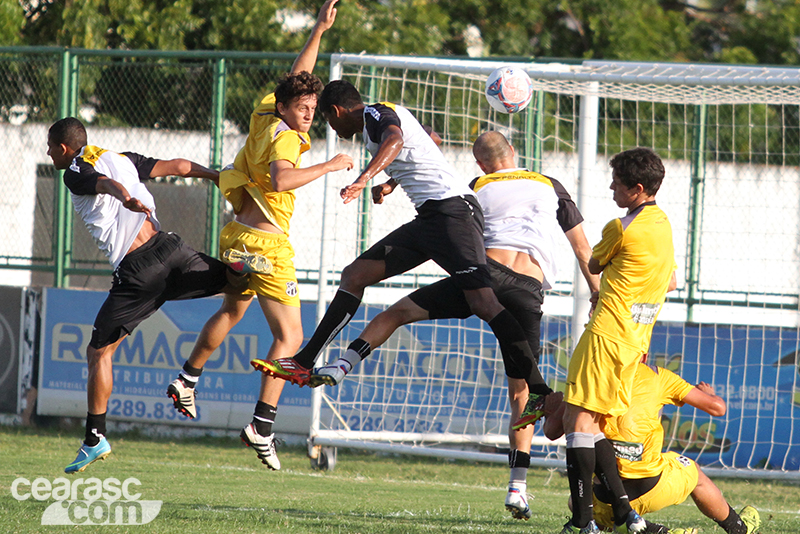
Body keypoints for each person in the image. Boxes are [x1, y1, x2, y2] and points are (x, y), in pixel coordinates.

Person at [305, 130, 599, 520]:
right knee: (521, 394)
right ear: (514, 152)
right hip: (528, 289)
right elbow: (583, 249)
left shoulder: (474, 185)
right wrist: (596, 293)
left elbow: (448, 221)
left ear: (480, 164)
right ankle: (517, 489)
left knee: (396, 313)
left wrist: (390, 183)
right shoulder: (550, 184)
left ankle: (342, 364)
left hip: (482, 277)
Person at [259, 81, 548, 446]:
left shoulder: (375, 114)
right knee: (355, 275)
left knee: (484, 303)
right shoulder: (374, 121)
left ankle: (538, 389)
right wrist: (392, 183)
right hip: (430, 219)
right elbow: (425, 138)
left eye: (330, 124)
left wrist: (366, 179)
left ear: (336, 112)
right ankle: (306, 359)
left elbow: (396, 140)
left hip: (453, 215)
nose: (333, 131)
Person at [165, 0, 353, 470]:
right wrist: (330, 164)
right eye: (304, 107)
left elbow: (297, 75)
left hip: (236, 236)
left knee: (231, 310)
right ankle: (262, 424)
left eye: (313, 107)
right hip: (267, 246)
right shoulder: (288, 137)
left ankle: (188, 378)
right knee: (291, 338)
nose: (310, 113)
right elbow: (283, 178)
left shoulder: (265, 115)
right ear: (287, 108)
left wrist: (319, 30)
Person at [47, 117, 251, 474]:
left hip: (137, 273)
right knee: (238, 286)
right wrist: (218, 176)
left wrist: (125, 197)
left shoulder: (74, 171)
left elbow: (105, 185)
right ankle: (238, 269)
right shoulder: (123, 158)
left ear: (64, 148)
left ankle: (95, 438)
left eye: (50, 148)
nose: (49, 154)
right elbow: (179, 166)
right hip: (172, 249)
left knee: (98, 352)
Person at [560, 147, 678, 534]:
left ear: (638, 188)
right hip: (634, 341)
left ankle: (583, 521)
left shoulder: (620, 227)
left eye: (617, 183)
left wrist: (607, 286)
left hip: (606, 334)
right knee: (593, 423)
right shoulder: (663, 225)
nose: (611, 188)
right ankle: (629, 515)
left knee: (576, 416)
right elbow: (670, 281)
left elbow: (593, 264)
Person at [543, 361, 761, 534]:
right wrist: (709, 393)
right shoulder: (658, 376)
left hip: (605, 497)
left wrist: (552, 407)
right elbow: (717, 408)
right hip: (653, 487)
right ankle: (738, 528)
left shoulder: (588, 376)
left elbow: (551, 432)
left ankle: (645, 528)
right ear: (642, 354)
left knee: (576, 502)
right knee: (693, 471)